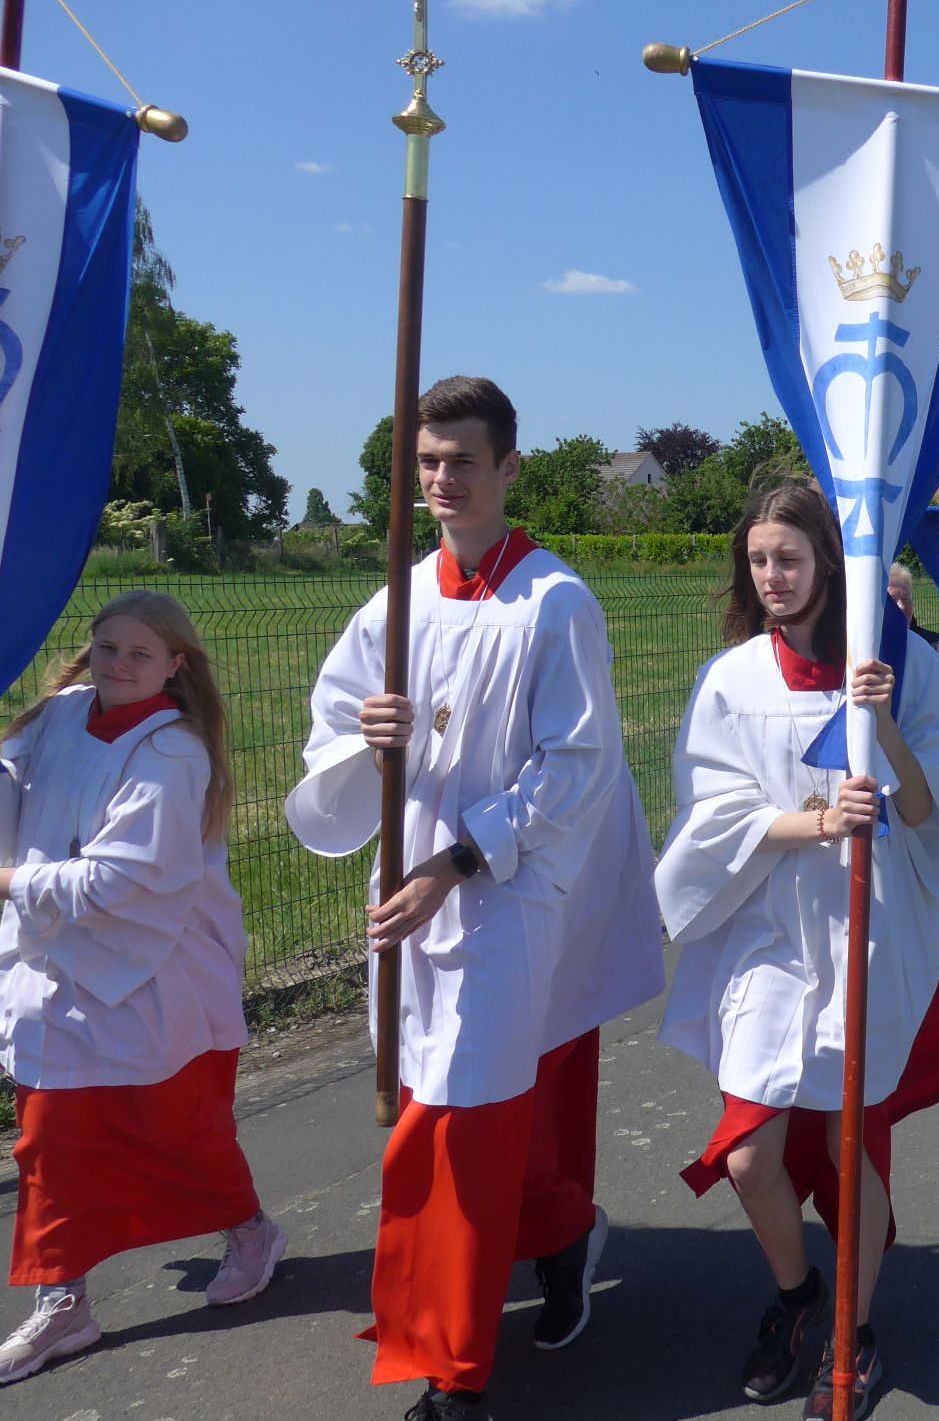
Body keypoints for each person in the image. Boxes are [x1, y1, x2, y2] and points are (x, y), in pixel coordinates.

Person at [287, 377, 665, 1421]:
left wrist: (458, 862)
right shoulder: (395, 601)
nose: (442, 479)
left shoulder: (554, 602)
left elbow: (578, 766)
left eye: (461, 460)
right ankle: (561, 1235)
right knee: (457, 1098)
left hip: (509, 891)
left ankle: (453, 1374)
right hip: (411, 882)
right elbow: (330, 731)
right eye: (427, 462)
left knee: (463, 1119)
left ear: (508, 467)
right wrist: (366, 741)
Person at [655, 484, 939, 1420]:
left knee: (853, 1148)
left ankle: (854, 1333)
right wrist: (814, 822)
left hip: (866, 931)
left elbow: (937, 813)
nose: (772, 576)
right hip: (769, 932)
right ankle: (801, 1294)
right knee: (748, 1155)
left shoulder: (906, 667)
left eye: (790, 558)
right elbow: (710, 815)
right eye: (758, 560)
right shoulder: (732, 680)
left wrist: (881, 726)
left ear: (828, 564)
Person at [0, 592, 286, 1385]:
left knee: (179, 1130)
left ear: (174, 665)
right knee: (50, 1138)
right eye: (106, 648)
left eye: (139, 654)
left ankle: (251, 1230)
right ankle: (64, 1301)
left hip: (152, 974)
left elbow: (121, 880)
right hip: (56, 971)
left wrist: (11, 880)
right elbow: (11, 776)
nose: (118, 666)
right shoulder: (63, 713)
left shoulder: (172, 753)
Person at [886, 562, 939, 673]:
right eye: (893, 600)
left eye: (906, 599)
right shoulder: (867, 646)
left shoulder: (936, 646)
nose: (901, 606)